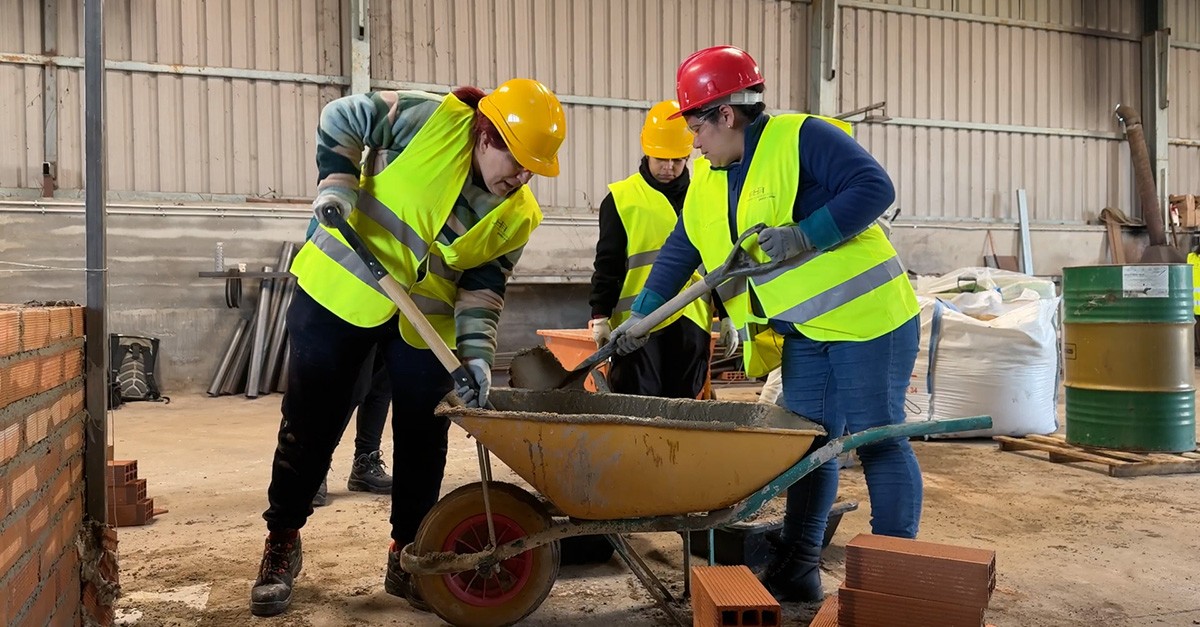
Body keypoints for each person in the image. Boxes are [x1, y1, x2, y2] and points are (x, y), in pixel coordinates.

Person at [610, 46, 920, 603]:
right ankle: (799, 566)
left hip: (868, 320)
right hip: (805, 331)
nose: (693, 141)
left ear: (726, 115)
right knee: (808, 445)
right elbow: (684, 247)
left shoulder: (803, 136)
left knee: (876, 438)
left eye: (696, 125)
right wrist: (641, 315)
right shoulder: (710, 175)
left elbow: (875, 189)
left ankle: (897, 582)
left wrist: (806, 234)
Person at [249, 79, 567, 617]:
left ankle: (409, 556)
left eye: (534, 167)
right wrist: (339, 182)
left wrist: (477, 357)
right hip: (340, 290)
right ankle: (282, 540)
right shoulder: (428, 122)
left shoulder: (519, 214)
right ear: (485, 136)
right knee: (311, 423)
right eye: (515, 160)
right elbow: (340, 116)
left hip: (424, 324)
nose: (522, 177)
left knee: (424, 436)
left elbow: (483, 289)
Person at [588, 100, 739, 398]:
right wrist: (600, 314)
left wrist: (726, 314)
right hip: (637, 323)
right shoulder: (621, 198)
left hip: (691, 321)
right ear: (647, 151)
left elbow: (717, 259)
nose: (669, 167)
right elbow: (608, 263)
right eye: (661, 159)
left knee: (683, 404)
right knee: (636, 400)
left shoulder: (705, 195)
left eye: (678, 160)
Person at [311, 343, 393, 506]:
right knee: (351, 386)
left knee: (382, 383)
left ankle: (365, 463)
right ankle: (316, 467)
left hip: (394, 320)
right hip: (361, 321)